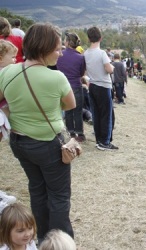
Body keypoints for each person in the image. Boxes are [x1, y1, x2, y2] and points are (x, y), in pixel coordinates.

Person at [0, 23, 76, 243]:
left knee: (37, 189)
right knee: (59, 195)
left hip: (19, 142)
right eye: (58, 48)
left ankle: (41, 238)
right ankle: (60, 244)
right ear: (44, 48)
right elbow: (70, 104)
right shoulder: (56, 77)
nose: (60, 53)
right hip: (48, 143)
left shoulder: (8, 72)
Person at [84, 26, 118, 150]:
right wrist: (112, 68)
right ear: (101, 38)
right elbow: (109, 69)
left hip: (92, 85)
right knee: (106, 114)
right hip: (103, 86)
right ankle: (105, 141)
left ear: (89, 39)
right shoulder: (102, 53)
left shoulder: (86, 53)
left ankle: (99, 139)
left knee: (96, 114)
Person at [56, 32, 86, 142]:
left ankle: (70, 132)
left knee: (67, 110)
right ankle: (80, 133)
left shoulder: (60, 55)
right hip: (76, 85)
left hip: (64, 86)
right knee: (78, 111)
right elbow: (82, 73)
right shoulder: (80, 57)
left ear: (67, 42)